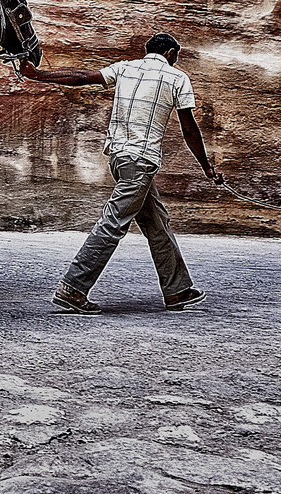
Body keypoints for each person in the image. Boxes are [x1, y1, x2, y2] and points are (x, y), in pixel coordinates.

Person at [19, 32, 225, 315]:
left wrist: (38, 74)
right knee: (113, 223)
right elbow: (189, 128)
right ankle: (73, 288)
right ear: (170, 53)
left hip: (119, 159)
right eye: (176, 56)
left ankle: (177, 290)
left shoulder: (124, 67)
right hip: (141, 163)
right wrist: (206, 166)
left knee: (157, 222)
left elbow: (80, 77)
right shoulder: (177, 78)